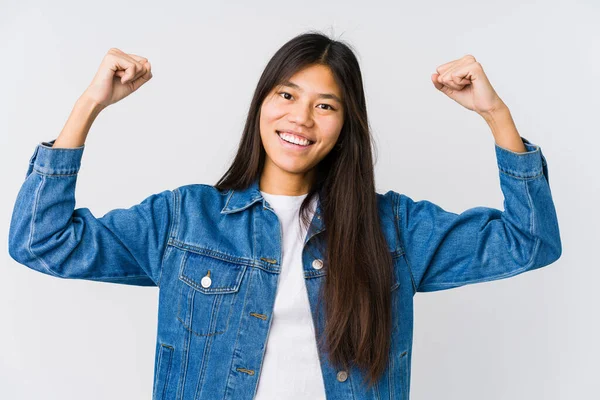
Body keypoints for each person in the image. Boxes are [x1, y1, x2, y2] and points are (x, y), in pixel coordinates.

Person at [8, 31, 562, 400]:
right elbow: (44, 242)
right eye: (286, 95)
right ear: (262, 104)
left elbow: (529, 241)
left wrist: (495, 114)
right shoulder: (185, 220)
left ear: (346, 125)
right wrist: (89, 106)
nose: (301, 117)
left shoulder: (391, 229)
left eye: (325, 105)